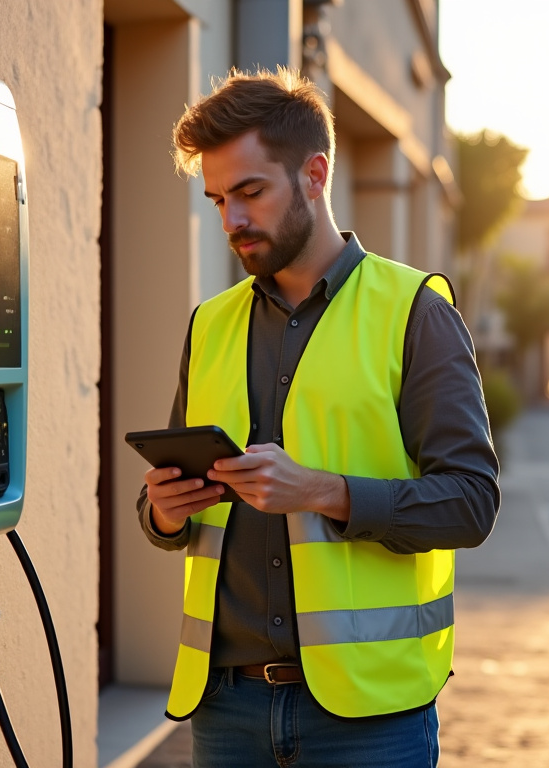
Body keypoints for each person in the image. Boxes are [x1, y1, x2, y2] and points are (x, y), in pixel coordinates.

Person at [137, 67, 500, 768]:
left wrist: (323, 491)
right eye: (217, 200)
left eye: (250, 193)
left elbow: (471, 503)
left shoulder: (415, 313)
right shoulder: (209, 325)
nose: (231, 221)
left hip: (371, 719)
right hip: (225, 712)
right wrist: (163, 513)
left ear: (314, 174)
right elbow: (165, 513)